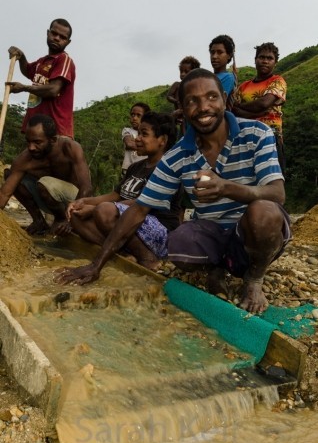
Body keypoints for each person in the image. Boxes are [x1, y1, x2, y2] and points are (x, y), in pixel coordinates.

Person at [56, 69, 291, 315]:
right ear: (182, 107)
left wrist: (226, 187)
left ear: (224, 98)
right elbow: (138, 210)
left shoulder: (257, 133)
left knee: (264, 212)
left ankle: (254, 278)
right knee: (179, 243)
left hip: (251, 232)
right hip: (214, 231)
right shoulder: (177, 156)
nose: (203, 107)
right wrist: (96, 265)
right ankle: (216, 267)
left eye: (211, 97)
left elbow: (277, 194)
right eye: (192, 101)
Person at [61, 112, 181, 269]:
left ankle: (148, 258)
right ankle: (123, 253)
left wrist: (94, 209)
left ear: (162, 140)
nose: (137, 138)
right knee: (75, 215)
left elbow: (141, 205)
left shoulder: (168, 170)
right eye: (139, 133)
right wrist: (83, 201)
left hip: (160, 233)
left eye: (144, 134)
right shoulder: (136, 167)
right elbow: (115, 195)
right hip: (128, 226)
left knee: (105, 211)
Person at [0, 114, 92, 236]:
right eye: (28, 141)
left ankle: (61, 220)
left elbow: (87, 188)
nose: (31, 147)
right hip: (47, 198)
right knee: (10, 174)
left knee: (45, 183)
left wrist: (73, 219)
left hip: (76, 200)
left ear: (53, 140)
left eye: (37, 142)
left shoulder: (70, 148)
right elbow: (4, 194)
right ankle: (39, 221)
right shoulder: (25, 159)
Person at [6, 18, 76, 139]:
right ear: (48, 33)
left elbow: (53, 90)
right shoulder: (42, 61)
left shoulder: (64, 60)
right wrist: (21, 56)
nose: (57, 38)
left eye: (62, 37)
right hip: (37, 130)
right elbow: (28, 71)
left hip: (55, 133)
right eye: (54, 33)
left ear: (68, 42)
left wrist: (24, 88)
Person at [232, 42, 287, 173]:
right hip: (246, 139)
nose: (265, 61)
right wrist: (255, 113)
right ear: (255, 60)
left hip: (272, 138)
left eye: (270, 58)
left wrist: (242, 108)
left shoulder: (278, 81)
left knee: (273, 182)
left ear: (275, 63)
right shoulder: (243, 87)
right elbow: (233, 111)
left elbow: (264, 103)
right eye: (262, 57)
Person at [167, 56, 201, 137]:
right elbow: (168, 96)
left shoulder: (195, 88)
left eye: (186, 72)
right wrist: (176, 101)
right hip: (179, 114)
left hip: (190, 115)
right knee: (182, 131)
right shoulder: (177, 85)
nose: (182, 74)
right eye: (181, 71)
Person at [121, 102, 150, 176]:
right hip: (128, 171)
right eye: (132, 115)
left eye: (138, 115)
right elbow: (129, 144)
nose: (134, 118)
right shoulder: (127, 130)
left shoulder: (150, 133)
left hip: (144, 170)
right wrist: (149, 148)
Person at [209, 34, 237, 111]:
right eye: (212, 52)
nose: (214, 56)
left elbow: (214, 104)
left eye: (220, 52)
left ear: (229, 55)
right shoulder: (207, 77)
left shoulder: (228, 77)